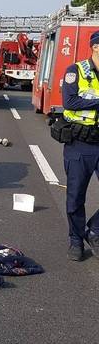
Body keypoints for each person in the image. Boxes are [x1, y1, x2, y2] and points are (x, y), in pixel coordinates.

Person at [61, 30, 99, 261]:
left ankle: (93, 229)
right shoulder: (76, 71)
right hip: (80, 143)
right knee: (76, 197)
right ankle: (76, 239)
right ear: (96, 47)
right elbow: (70, 101)